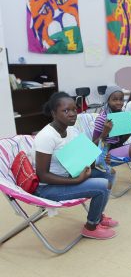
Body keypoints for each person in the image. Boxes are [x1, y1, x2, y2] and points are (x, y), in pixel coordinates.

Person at [33, 92, 117, 240]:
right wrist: (77, 180)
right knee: (102, 185)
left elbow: (86, 154)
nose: (72, 114)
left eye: (74, 109)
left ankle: (97, 215)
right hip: (48, 187)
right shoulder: (46, 136)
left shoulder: (71, 129)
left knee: (109, 173)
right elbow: (42, 175)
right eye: (66, 110)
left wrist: (103, 135)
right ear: (53, 113)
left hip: (70, 174)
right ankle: (91, 227)